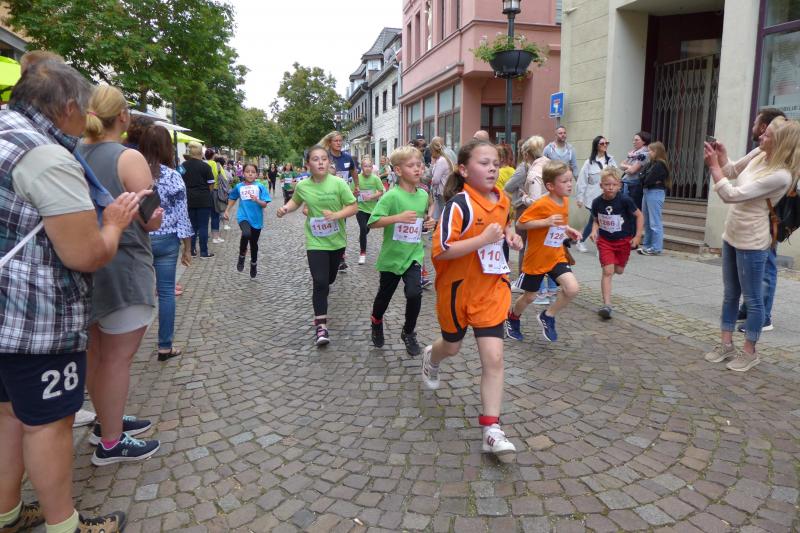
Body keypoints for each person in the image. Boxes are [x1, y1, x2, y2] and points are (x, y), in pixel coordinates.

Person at [0, 58, 137, 533]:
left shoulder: (6, 131)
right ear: (70, 108)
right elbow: (85, 254)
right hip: (33, 319)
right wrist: (113, 224)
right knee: (48, 423)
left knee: (7, 415)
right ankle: (65, 525)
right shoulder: (45, 157)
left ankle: (7, 513)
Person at [78, 85, 163, 466]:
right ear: (124, 117)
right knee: (117, 359)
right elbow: (151, 218)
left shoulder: (74, 152)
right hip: (124, 264)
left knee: (97, 353)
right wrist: (155, 217)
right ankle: (111, 442)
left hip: (85, 261)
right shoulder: (129, 158)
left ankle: (106, 421)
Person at [422, 139, 523, 456]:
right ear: (464, 170)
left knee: (494, 358)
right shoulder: (459, 205)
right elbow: (442, 250)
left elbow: (505, 224)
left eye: (496, 163)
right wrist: (482, 239)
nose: (492, 168)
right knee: (451, 347)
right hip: (457, 291)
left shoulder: (503, 199)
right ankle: (432, 357)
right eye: (484, 163)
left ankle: (492, 429)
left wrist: (511, 236)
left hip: (492, 289)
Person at [702, 117, 798, 372]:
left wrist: (714, 167)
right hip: (732, 233)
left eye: (767, 135)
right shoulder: (759, 153)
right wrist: (723, 158)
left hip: (753, 241)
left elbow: (731, 194)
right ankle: (726, 344)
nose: (761, 137)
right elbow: (732, 172)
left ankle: (750, 351)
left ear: (780, 143)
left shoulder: (781, 175)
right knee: (730, 294)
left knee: (754, 300)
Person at [277, 146, 358, 346]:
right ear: (308, 164)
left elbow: (353, 206)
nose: (320, 162)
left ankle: (325, 289)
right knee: (320, 282)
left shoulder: (339, 183)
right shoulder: (303, 186)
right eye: (315, 159)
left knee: (329, 279)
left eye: (324, 158)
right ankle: (321, 326)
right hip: (315, 241)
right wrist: (285, 208)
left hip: (336, 241)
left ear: (329, 162)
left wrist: (336, 215)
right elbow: (296, 201)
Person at [368, 146, 435, 356]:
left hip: (413, 254)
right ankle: (376, 321)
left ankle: (408, 331)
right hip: (392, 257)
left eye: (419, 165)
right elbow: (373, 222)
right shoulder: (391, 196)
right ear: (398, 170)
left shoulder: (423, 194)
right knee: (384, 297)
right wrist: (397, 218)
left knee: (414, 293)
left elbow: (422, 217)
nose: (417, 169)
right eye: (411, 165)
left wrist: (428, 222)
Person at [506, 161, 582, 343]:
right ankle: (513, 317)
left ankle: (548, 316)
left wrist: (568, 230)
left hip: (556, 255)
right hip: (537, 259)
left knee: (572, 289)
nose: (570, 184)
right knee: (530, 296)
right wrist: (545, 222)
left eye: (570, 180)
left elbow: (559, 223)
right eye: (565, 181)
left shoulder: (564, 200)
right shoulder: (541, 203)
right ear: (550, 186)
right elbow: (520, 223)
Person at [139, 125, 193, 361]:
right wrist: (187, 248)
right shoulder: (173, 176)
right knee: (167, 293)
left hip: (139, 239)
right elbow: (182, 214)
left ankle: (125, 346)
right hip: (167, 239)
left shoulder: (131, 171)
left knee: (138, 293)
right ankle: (164, 346)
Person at [737, 107, 786, 332]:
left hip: (768, 218)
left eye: (757, 123)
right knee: (753, 267)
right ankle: (749, 307)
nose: (754, 127)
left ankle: (763, 316)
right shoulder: (760, 151)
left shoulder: (781, 156)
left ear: (765, 127)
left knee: (766, 266)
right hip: (758, 216)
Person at [589, 168, 643, 319]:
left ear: (619, 185)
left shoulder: (625, 200)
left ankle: (615, 269)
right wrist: (594, 231)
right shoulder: (597, 202)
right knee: (608, 272)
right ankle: (607, 305)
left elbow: (639, 216)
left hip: (623, 241)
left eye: (614, 185)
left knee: (618, 270)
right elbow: (596, 220)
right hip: (605, 241)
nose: (610, 188)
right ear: (601, 185)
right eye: (607, 184)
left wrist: (637, 236)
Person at [223, 163, 271, 279]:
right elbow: (232, 198)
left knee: (254, 244)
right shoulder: (239, 186)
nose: (250, 174)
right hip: (243, 216)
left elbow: (264, 204)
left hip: (256, 219)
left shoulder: (260, 186)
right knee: (246, 233)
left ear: (257, 174)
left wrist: (257, 200)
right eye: (247, 171)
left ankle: (253, 263)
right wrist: (227, 210)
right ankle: (241, 256)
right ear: (243, 173)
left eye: (253, 172)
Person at [320, 131, 358, 273]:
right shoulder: (325, 157)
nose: (338, 143)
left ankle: (340, 257)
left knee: (341, 225)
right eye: (335, 141)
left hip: (343, 196)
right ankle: (326, 251)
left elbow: (354, 172)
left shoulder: (347, 157)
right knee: (328, 223)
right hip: (328, 195)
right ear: (330, 142)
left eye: (340, 140)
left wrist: (357, 186)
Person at [575, 135, 617, 252]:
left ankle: (581, 241)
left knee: (596, 221)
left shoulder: (611, 160)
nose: (605, 145)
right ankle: (601, 246)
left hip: (608, 196)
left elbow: (616, 177)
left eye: (606, 143)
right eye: (602, 143)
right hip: (593, 197)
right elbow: (582, 181)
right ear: (596, 146)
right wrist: (579, 198)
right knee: (597, 220)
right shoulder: (589, 162)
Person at [181, 142, 216, 258]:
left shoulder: (182, 166)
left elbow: (178, 181)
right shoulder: (205, 166)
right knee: (203, 226)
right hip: (204, 199)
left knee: (192, 226)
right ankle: (204, 252)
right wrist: (206, 192)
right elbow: (211, 184)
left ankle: (191, 251)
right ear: (201, 153)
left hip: (189, 199)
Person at [638, 141, 670, 256]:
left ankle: (656, 248)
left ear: (657, 152)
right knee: (647, 221)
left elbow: (648, 180)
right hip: (647, 191)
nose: (648, 153)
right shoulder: (650, 164)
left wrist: (645, 178)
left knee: (654, 222)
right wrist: (645, 178)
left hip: (655, 192)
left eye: (651, 151)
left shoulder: (660, 165)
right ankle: (647, 245)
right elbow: (641, 177)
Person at [351, 156, 384, 265]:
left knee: (366, 229)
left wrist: (371, 197)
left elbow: (381, 191)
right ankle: (362, 253)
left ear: (372, 167)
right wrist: (355, 193)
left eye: (370, 166)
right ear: (361, 167)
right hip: (360, 208)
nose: (368, 168)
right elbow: (351, 193)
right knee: (363, 228)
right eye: (365, 166)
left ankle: (362, 236)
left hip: (372, 209)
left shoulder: (375, 179)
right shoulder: (357, 178)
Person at [619, 131, 651, 210]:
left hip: (635, 185)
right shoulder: (633, 153)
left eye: (636, 140)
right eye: (633, 140)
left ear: (644, 141)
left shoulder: (645, 154)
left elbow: (632, 171)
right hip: (626, 183)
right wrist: (629, 167)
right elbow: (620, 165)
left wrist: (628, 168)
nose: (634, 142)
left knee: (634, 209)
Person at [428, 136, 455, 222]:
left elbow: (436, 180)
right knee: (445, 214)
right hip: (447, 189)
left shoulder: (441, 161)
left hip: (441, 192)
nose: (430, 154)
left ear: (433, 150)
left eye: (431, 151)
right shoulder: (446, 157)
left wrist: (431, 181)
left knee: (442, 215)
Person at [205, 148, 225, 244]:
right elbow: (224, 178)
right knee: (215, 215)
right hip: (215, 191)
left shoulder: (203, 164)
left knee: (204, 216)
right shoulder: (216, 165)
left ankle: (203, 235)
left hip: (203, 192)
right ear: (213, 156)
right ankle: (215, 237)